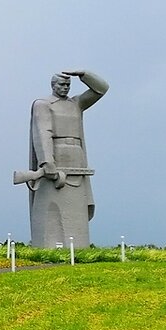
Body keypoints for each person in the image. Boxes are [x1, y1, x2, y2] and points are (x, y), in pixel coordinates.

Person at [27, 69, 109, 247]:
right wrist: (47, 161)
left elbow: (101, 89)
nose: (65, 88)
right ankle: (51, 246)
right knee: (53, 204)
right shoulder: (43, 104)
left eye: (68, 85)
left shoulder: (76, 103)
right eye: (61, 85)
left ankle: (78, 247)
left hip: (76, 158)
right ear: (53, 85)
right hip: (56, 158)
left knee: (76, 207)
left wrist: (84, 75)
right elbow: (42, 132)